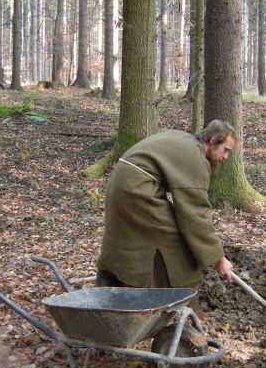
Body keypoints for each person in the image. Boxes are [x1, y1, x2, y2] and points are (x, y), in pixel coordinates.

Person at [96, 120, 236, 289]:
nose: (226, 157)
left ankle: (114, 285)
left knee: (128, 237)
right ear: (213, 141)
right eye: (225, 150)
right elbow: (195, 214)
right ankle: (174, 296)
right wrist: (218, 258)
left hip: (120, 184)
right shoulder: (194, 157)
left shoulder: (184, 139)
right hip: (136, 190)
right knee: (174, 241)